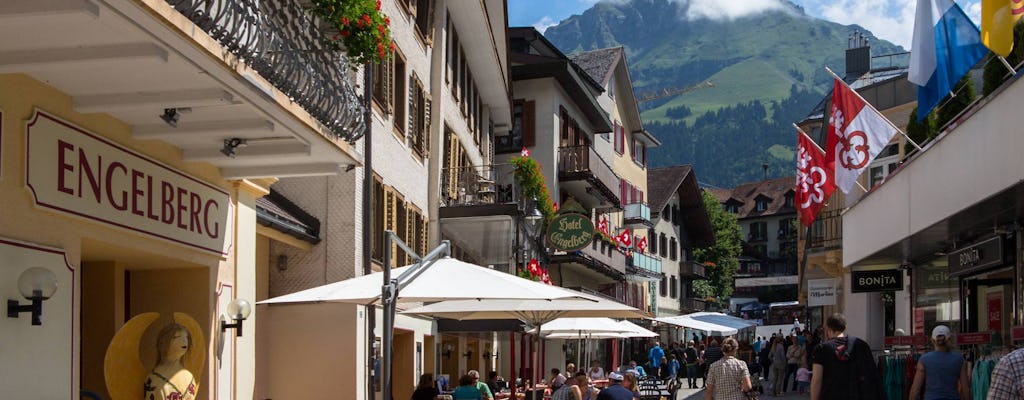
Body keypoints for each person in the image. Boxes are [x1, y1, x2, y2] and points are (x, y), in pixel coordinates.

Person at [810, 313, 882, 400]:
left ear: (828, 329)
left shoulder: (821, 349)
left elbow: (817, 380)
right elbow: (872, 375)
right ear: (845, 328)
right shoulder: (861, 345)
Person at [908, 325, 969, 400]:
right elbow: (965, 388)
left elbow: (915, 389)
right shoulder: (959, 359)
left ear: (932, 340)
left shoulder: (924, 359)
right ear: (949, 339)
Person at [144, 323, 197, 400]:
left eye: (186, 337)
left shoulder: (189, 377)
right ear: (165, 342)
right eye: (177, 337)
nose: (184, 340)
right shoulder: (153, 378)